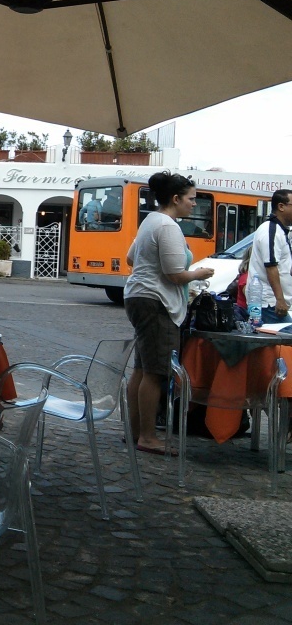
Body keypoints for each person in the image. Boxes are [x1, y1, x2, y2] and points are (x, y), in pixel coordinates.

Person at [123, 172, 213, 456]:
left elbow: (130, 257)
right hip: (156, 301)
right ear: (176, 199)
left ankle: (135, 431)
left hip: (139, 296)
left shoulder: (151, 220)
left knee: (142, 368)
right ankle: (147, 437)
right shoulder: (168, 226)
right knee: (155, 371)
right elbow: (174, 275)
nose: (194, 204)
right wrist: (199, 273)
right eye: (191, 199)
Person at [248, 189, 292, 324]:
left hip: (272, 303)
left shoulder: (280, 231)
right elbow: (271, 266)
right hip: (268, 303)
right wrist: (280, 299)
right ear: (281, 206)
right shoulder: (270, 230)